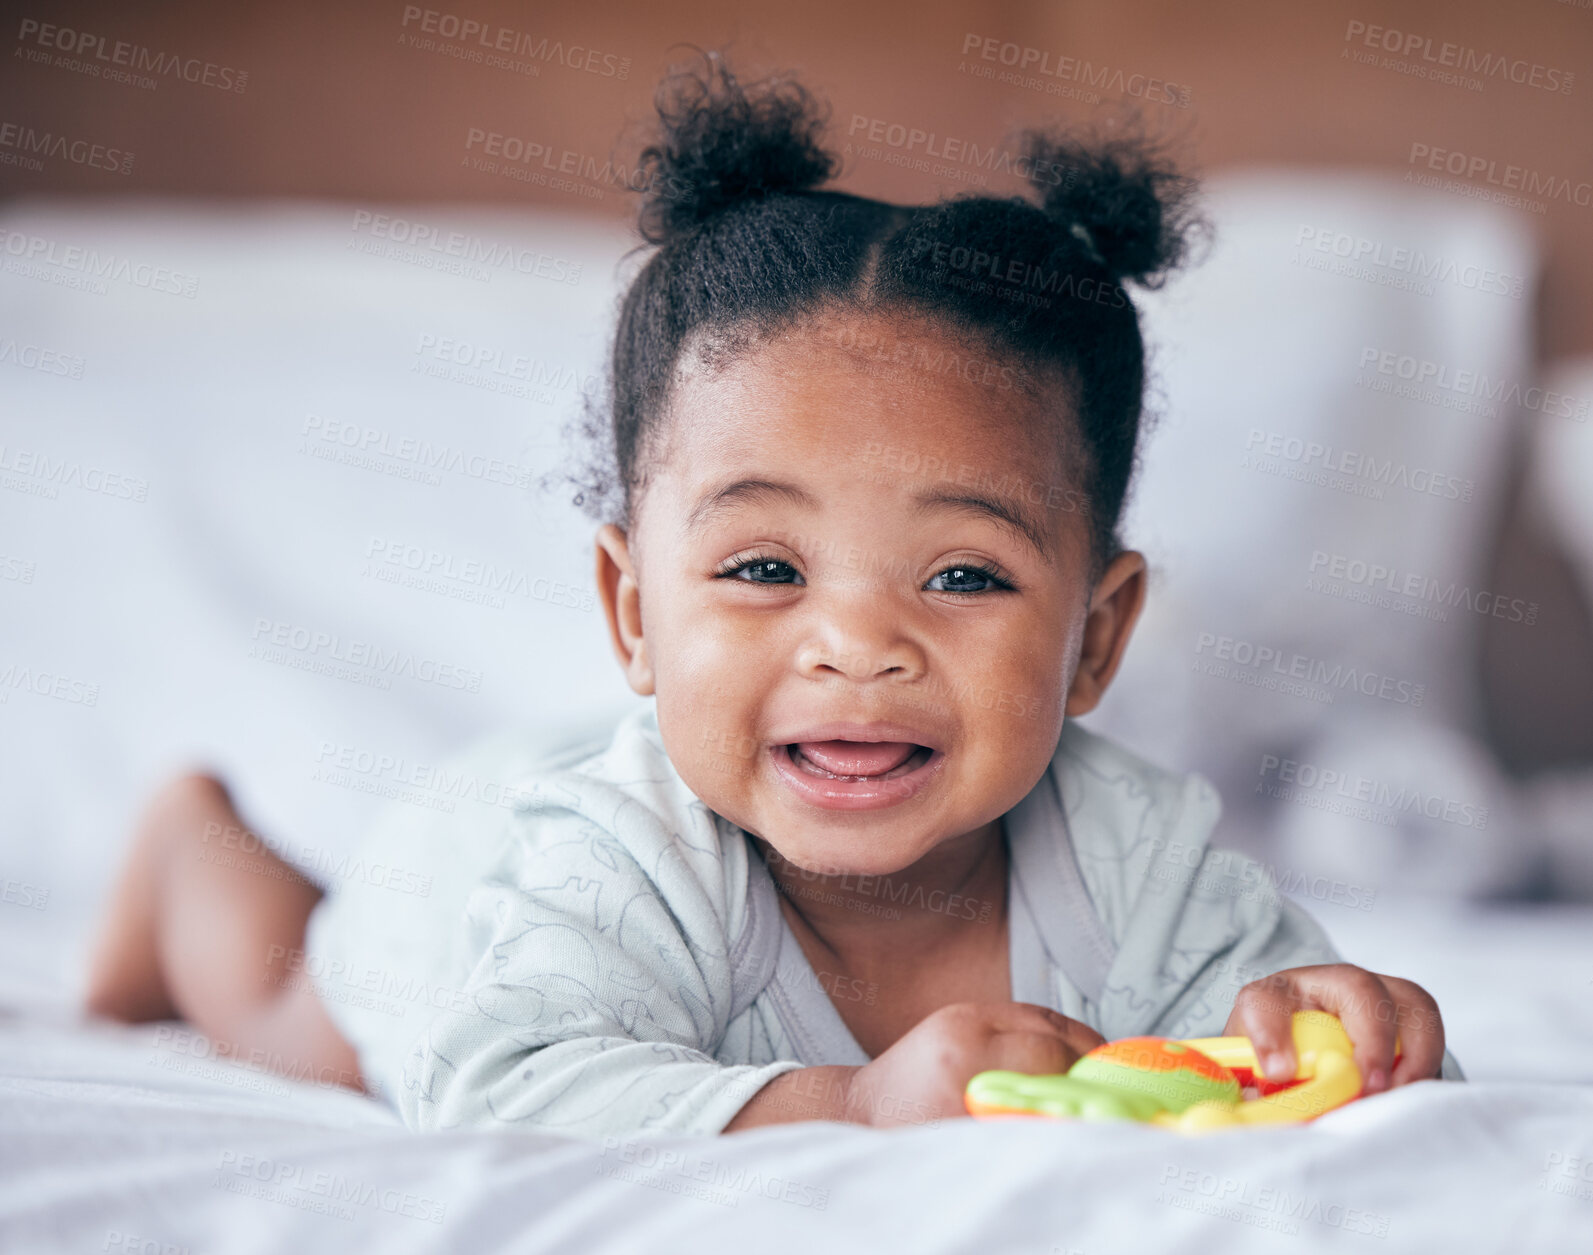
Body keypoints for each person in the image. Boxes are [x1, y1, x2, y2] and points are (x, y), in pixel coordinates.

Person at [82, 51, 1459, 1139]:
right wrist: (851, 1103)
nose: (858, 643)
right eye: (762, 569)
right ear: (633, 613)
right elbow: (495, 1087)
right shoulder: (616, 872)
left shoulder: (1138, 860)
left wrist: (1349, 1020)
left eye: (964, 575)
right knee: (285, 1018)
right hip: (473, 861)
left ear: (1094, 639)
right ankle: (189, 838)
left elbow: (1262, 1031)